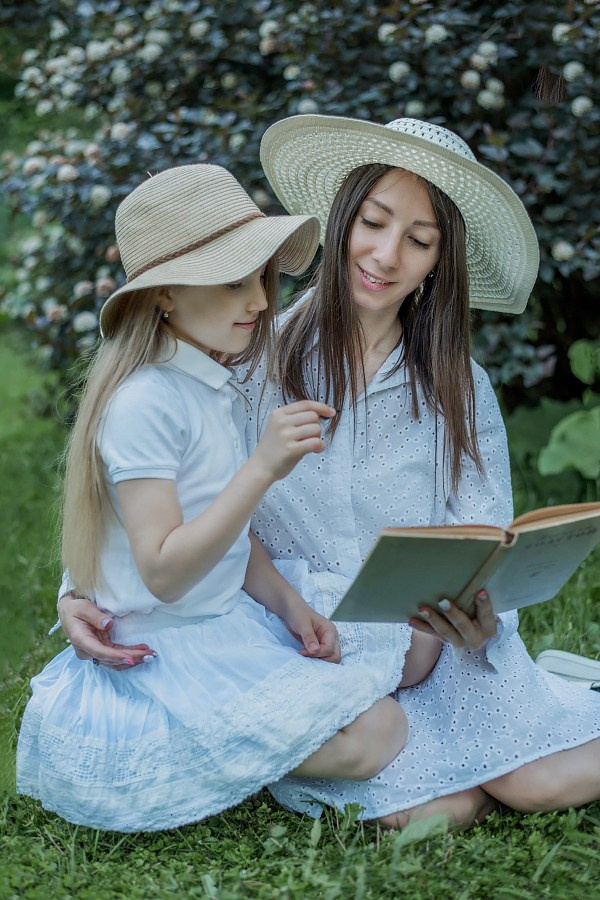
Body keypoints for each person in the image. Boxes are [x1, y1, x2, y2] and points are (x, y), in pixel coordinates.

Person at [56, 118, 600, 830]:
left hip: (432, 653)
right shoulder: (248, 354)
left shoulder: (460, 386)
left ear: (440, 261)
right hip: (303, 654)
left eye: (419, 239)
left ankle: (559, 694)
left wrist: (480, 619)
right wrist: (80, 591)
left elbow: (489, 531)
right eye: (372, 223)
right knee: (446, 808)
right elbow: (151, 483)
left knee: (540, 784)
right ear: (342, 220)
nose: (386, 254)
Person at [17, 162, 418, 833]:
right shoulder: (146, 402)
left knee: (392, 681)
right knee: (376, 732)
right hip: (165, 651)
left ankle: (244, 745)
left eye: (262, 277)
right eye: (234, 281)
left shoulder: (213, 380)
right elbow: (166, 572)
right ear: (166, 295)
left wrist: (290, 608)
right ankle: (200, 752)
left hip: (223, 623)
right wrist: (261, 469)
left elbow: (230, 535)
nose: (260, 300)